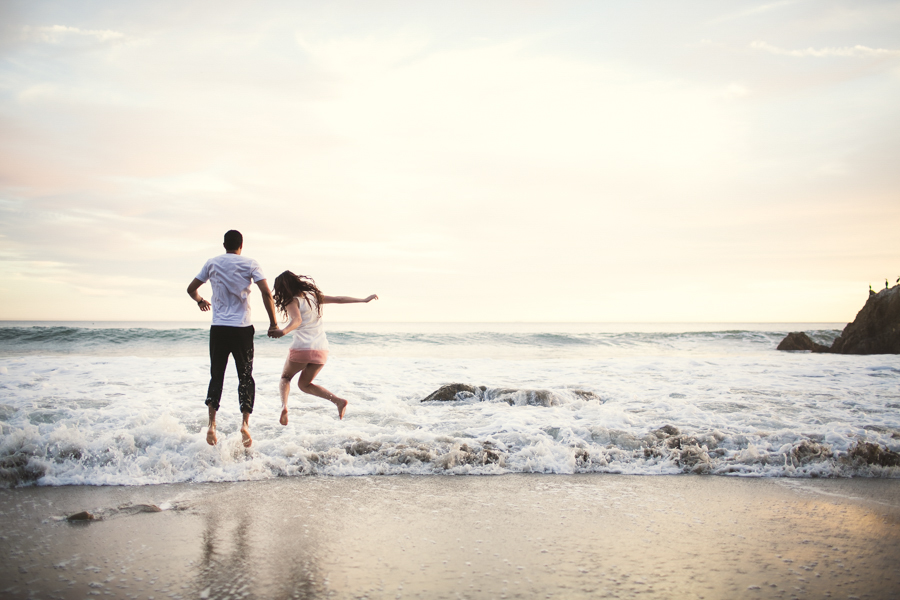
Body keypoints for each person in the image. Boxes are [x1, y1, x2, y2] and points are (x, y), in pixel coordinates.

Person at [186, 230, 279, 448]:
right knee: (245, 376)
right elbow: (266, 292)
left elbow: (191, 289)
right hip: (242, 329)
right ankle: (245, 424)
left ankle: (212, 425)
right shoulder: (250, 263)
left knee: (216, 376)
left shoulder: (212, 263)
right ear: (241, 245)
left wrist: (200, 300)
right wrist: (273, 323)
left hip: (219, 328)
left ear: (224, 244)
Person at [269, 270, 377, 423]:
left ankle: (284, 406)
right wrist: (363, 300)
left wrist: (283, 331)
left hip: (302, 348)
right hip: (321, 350)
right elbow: (339, 299)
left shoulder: (292, 301)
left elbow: (297, 320)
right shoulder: (314, 297)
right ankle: (338, 401)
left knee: (285, 378)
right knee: (304, 384)